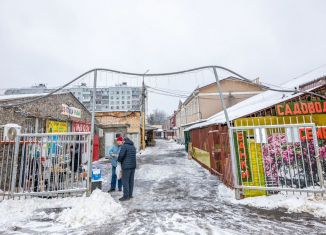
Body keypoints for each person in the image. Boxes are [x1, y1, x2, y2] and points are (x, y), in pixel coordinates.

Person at [118, 136, 136, 201]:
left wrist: (119, 160)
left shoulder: (124, 146)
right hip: (133, 166)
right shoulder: (133, 146)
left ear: (124, 141)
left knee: (125, 181)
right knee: (131, 181)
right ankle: (130, 195)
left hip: (126, 166)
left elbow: (121, 155)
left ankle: (126, 196)